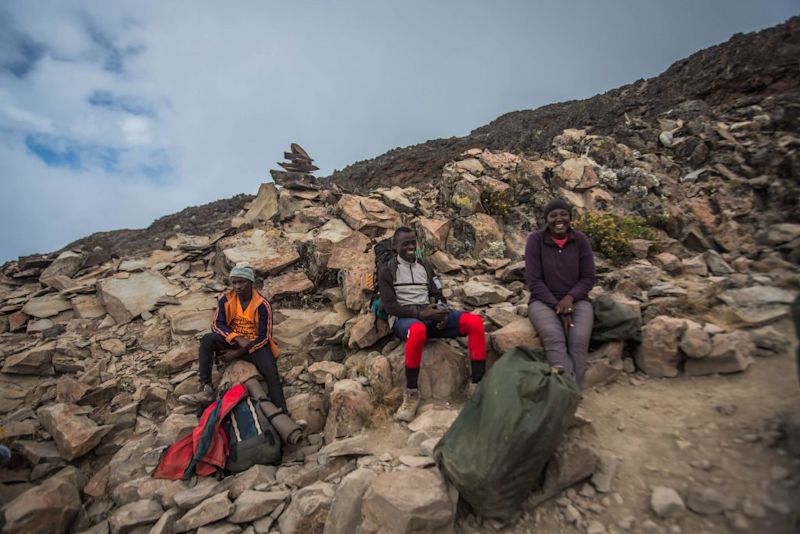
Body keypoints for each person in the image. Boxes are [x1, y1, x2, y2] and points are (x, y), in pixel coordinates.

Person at [379, 226, 487, 422]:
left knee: (475, 322)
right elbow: (390, 307)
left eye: (413, 242)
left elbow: (438, 295)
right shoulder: (387, 270)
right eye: (405, 244)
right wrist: (420, 315)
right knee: (418, 330)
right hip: (405, 320)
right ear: (395, 247)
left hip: (430, 315)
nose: (411, 247)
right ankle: (411, 393)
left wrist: (442, 312)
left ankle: (477, 385)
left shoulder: (426, 266)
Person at [179, 263, 287, 411]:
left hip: (255, 345)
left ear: (251, 283)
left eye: (241, 282)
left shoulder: (262, 305)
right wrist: (236, 338)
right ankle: (206, 389)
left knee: (271, 372)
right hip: (234, 340)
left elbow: (265, 336)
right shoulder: (226, 299)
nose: (237, 286)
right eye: (234, 282)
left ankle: (281, 411)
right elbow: (217, 324)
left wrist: (236, 354)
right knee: (207, 340)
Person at [525, 199, 596, 387]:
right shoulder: (535, 240)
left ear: (570, 218)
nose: (559, 219)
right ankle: (567, 390)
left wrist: (570, 299)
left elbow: (588, 278)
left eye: (564, 214)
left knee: (579, 339)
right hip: (542, 300)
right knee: (553, 336)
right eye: (553, 215)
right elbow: (534, 281)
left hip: (577, 299)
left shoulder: (580, 240)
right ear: (546, 219)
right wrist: (559, 307)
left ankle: (573, 390)